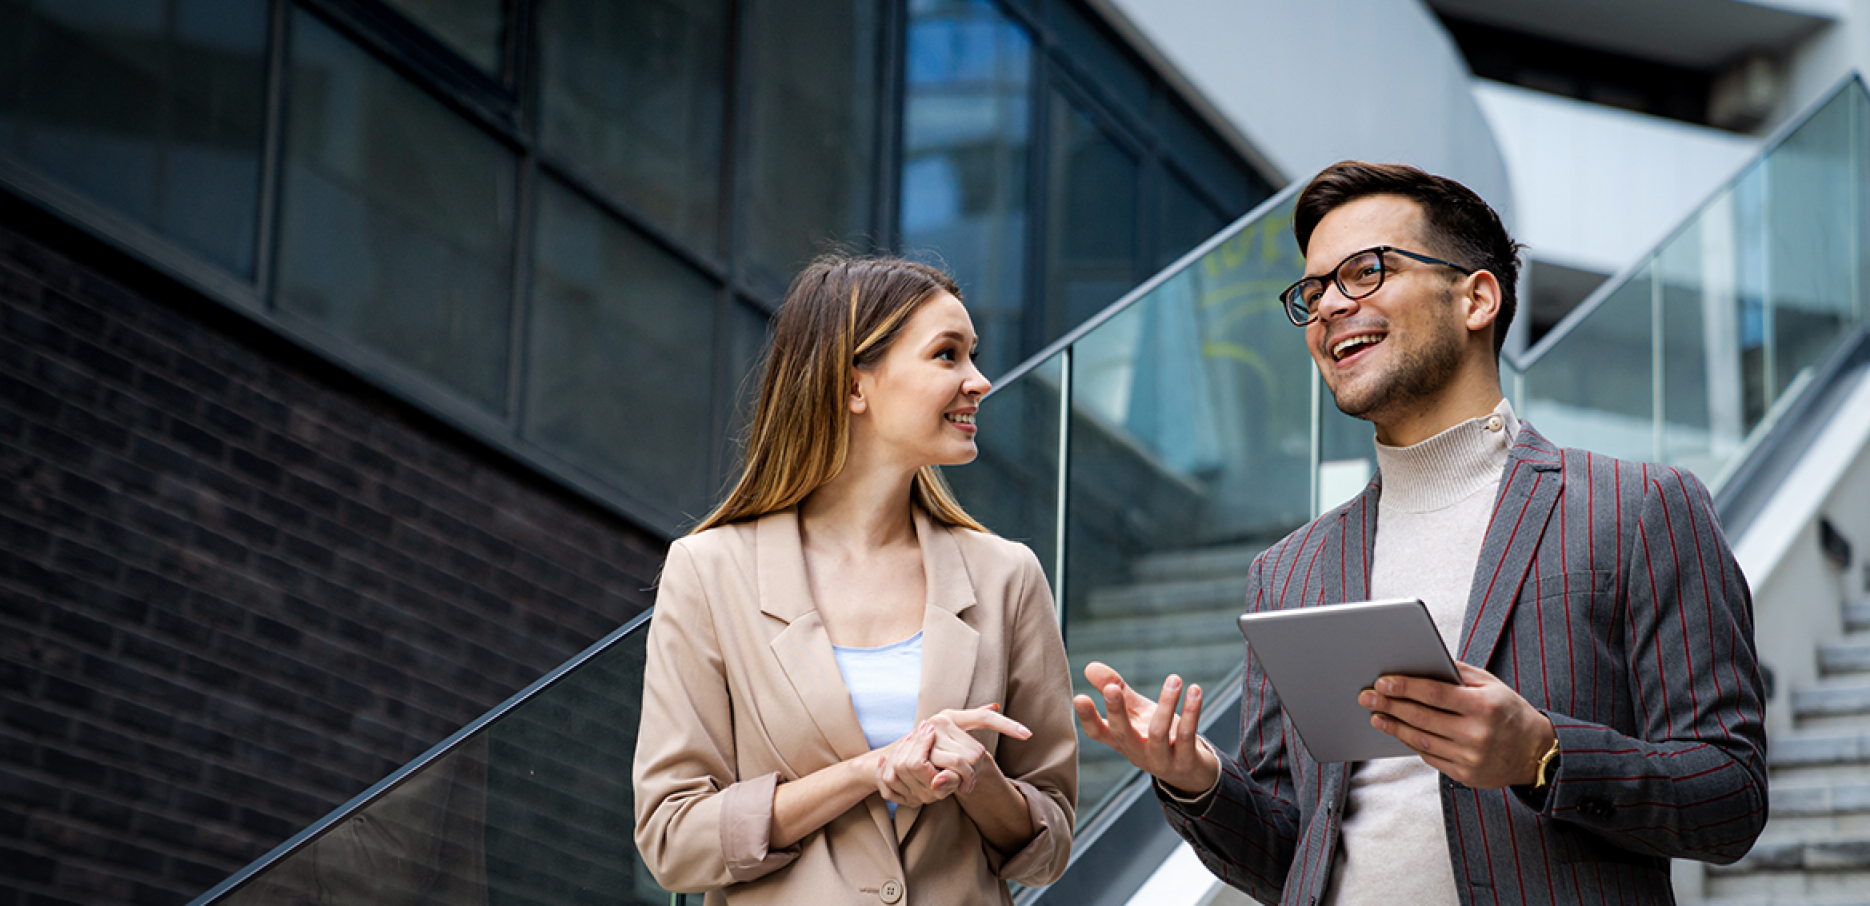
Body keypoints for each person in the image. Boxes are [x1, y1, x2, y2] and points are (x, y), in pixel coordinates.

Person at [1075, 162, 1767, 904]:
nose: (1329, 307)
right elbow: (1290, 855)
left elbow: (1729, 799)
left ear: (1476, 298)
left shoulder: (1639, 508)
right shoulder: (1289, 571)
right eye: (1313, 291)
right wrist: (1196, 779)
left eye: (1366, 272)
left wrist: (1544, 756)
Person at [633, 253, 1078, 905]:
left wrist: (982, 780)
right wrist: (870, 772)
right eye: (947, 356)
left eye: (973, 355)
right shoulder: (709, 572)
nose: (979, 381)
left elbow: (1052, 843)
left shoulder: (1006, 576)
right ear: (853, 387)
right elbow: (673, 840)